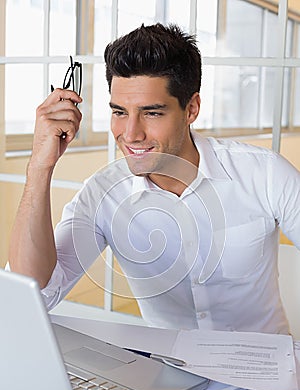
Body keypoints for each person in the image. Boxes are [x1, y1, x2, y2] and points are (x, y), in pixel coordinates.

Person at [8, 23, 300, 333]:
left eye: (152, 113)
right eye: (119, 112)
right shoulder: (104, 193)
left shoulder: (265, 173)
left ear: (191, 109)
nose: (131, 134)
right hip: (165, 378)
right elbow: (33, 292)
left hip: (265, 378)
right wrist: (40, 166)